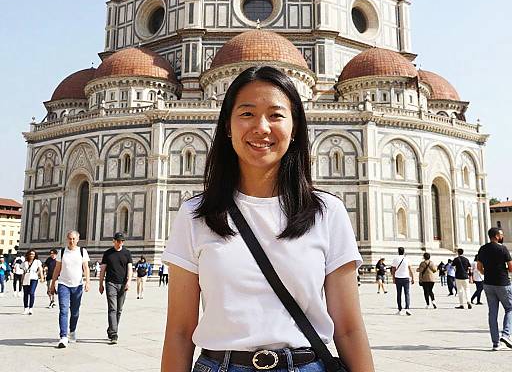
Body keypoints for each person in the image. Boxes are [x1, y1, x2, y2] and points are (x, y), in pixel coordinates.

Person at [160, 66, 374, 372]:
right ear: (228, 127)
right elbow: (179, 333)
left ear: (295, 127)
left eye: (275, 115)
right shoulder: (196, 215)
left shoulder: (327, 212)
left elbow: (349, 329)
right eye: (247, 113)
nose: (261, 127)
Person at [50, 231, 90, 348]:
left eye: (73, 239)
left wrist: (87, 282)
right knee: (63, 309)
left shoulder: (82, 251)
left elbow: (86, 268)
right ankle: (63, 336)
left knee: (75, 311)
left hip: (77, 286)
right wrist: (53, 284)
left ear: (77, 239)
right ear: (67, 239)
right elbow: (57, 269)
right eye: (69, 239)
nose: (71, 241)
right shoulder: (61, 252)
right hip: (63, 284)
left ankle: (72, 331)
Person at [477, 227, 512, 351]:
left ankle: (495, 343)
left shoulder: (483, 248)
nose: (502, 236)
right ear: (497, 236)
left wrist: (487, 273)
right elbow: (511, 267)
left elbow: (479, 266)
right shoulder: (503, 249)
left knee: (492, 313)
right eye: (501, 234)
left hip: (488, 284)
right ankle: (506, 335)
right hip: (502, 283)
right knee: (509, 308)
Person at [99, 232, 133, 344]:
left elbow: (130, 268)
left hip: (123, 284)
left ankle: (111, 329)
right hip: (111, 283)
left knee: (119, 310)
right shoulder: (108, 253)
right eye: (118, 241)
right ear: (114, 241)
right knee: (112, 308)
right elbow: (103, 269)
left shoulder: (127, 253)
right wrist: (100, 284)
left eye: (122, 241)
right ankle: (114, 334)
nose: (120, 243)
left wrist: (128, 282)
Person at [391, 247, 415, 316]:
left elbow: (393, 270)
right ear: (404, 252)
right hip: (406, 278)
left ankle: (400, 309)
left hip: (398, 278)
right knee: (407, 293)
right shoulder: (407, 259)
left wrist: (393, 278)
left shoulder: (395, 259)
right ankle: (407, 308)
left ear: (398, 251)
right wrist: (413, 278)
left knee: (399, 294)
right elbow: (410, 269)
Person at [21, 249, 44, 314]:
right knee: (25, 294)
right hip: (26, 278)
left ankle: (31, 308)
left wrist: (42, 277)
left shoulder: (37, 261)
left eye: (33, 254)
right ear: (28, 255)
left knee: (31, 292)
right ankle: (26, 308)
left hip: (34, 278)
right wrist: (21, 281)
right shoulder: (24, 263)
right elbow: (23, 272)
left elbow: (40, 269)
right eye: (30, 254)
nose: (32, 255)